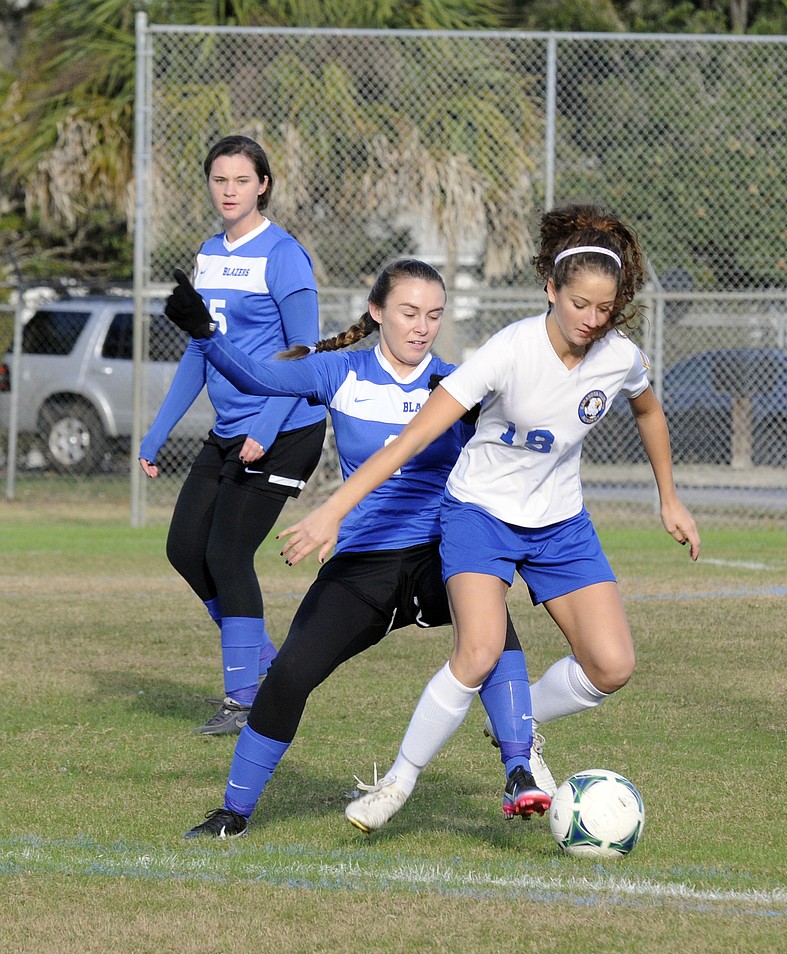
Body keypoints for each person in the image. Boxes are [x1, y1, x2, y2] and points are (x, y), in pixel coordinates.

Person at [276, 203, 701, 835]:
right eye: (578, 303)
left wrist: (669, 496)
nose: (590, 320)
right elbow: (410, 440)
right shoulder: (508, 351)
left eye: (603, 309)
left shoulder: (618, 356)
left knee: (612, 666)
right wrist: (334, 509)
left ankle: (519, 730)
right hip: (480, 515)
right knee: (476, 654)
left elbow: (648, 410)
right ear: (551, 290)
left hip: (561, 524)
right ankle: (397, 782)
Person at [171, 258, 554, 838]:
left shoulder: (458, 382)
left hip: (440, 553)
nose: (422, 327)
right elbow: (258, 378)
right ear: (377, 312)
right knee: (288, 678)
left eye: (434, 315)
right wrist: (205, 335)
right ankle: (234, 811)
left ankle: (519, 769)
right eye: (408, 312)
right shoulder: (341, 372)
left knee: (494, 634)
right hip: (362, 566)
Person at [140, 135, 327, 735]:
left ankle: (246, 697)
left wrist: (267, 426)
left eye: (241, 180)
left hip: (287, 427)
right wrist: (155, 433)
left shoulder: (285, 255)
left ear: (262, 185)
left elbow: (306, 357)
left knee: (226, 553)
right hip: (230, 429)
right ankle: (264, 663)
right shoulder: (209, 254)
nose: (228, 190)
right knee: (184, 548)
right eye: (219, 179)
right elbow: (203, 350)